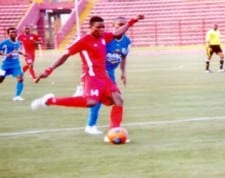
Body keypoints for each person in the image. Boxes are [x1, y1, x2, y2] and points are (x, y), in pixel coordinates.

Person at [31, 15, 144, 143]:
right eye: (98, 27)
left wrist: (132, 21)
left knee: (118, 99)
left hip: (104, 77)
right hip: (91, 76)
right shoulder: (83, 40)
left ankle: (113, 132)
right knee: (91, 102)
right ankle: (50, 100)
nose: (101, 29)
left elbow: (117, 33)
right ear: (90, 27)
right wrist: (48, 70)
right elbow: (65, 55)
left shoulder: (104, 37)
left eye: (103, 27)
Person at [84, 16, 132, 135]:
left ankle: (112, 128)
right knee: (110, 98)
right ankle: (93, 125)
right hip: (99, 72)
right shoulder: (107, 39)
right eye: (119, 24)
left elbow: (123, 57)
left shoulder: (127, 41)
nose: (122, 27)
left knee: (115, 99)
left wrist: (123, 72)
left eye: (124, 25)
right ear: (113, 26)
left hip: (110, 73)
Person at [0, 27, 26, 101]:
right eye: (11, 32)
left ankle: (17, 96)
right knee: (1, 79)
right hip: (5, 65)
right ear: (8, 34)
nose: (14, 33)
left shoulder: (18, 42)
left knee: (20, 78)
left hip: (16, 64)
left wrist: (23, 54)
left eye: (15, 32)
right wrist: (5, 54)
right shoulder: (4, 42)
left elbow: (16, 50)